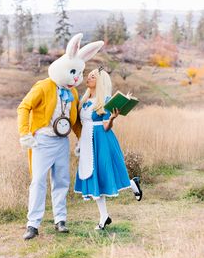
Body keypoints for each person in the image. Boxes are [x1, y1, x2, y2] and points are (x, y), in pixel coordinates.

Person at [17, 33, 104, 240]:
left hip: (61, 141)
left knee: (61, 181)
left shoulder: (73, 93)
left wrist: (82, 140)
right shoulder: (44, 86)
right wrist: (25, 133)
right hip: (43, 140)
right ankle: (33, 223)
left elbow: (75, 121)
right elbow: (24, 106)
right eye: (73, 72)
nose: (76, 77)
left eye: (79, 73)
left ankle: (60, 220)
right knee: (38, 180)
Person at [74, 67, 142, 230]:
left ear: (99, 81)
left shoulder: (104, 99)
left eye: (92, 77)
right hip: (87, 140)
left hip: (102, 140)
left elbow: (106, 127)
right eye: (88, 76)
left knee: (103, 174)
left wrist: (111, 117)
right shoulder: (83, 99)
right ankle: (104, 216)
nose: (88, 78)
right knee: (93, 175)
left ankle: (132, 184)